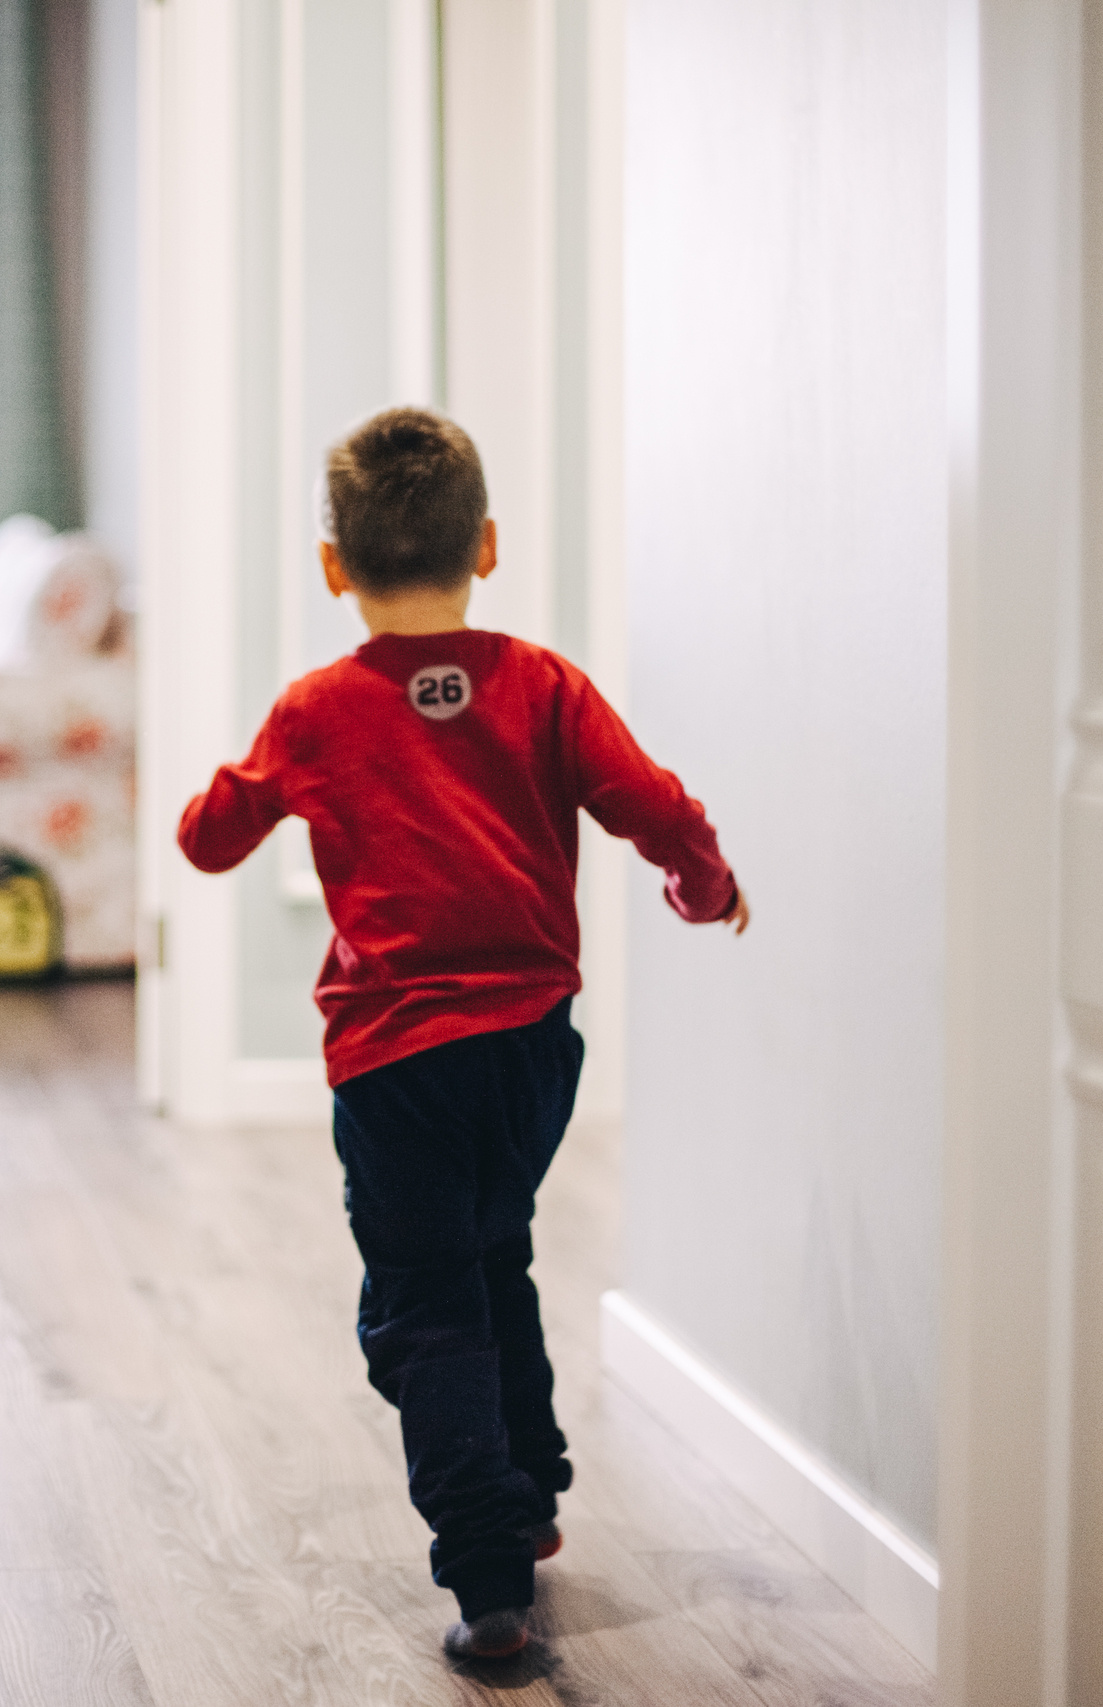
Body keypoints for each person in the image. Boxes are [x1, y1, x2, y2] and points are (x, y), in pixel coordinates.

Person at [177, 406, 746, 1662]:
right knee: (494, 1254)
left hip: (395, 1067)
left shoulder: (316, 711)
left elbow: (209, 840)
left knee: (422, 1304)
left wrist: (233, 790)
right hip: (531, 1054)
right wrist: (704, 889)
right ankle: (528, 1486)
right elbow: (653, 806)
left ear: (334, 568)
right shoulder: (545, 687)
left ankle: (488, 1574)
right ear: (485, 545)